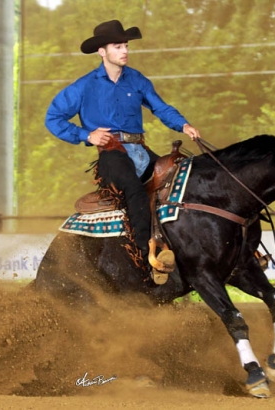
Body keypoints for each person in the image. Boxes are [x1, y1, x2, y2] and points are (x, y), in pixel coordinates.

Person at [45, 19, 200, 284]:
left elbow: (160, 108)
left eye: (126, 45)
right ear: (102, 52)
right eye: (118, 46)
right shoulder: (84, 86)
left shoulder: (136, 79)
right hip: (111, 155)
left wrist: (182, 124)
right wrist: (87, 135)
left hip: (140, 150)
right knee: (134, 190)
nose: (125, 51)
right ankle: (145, 259)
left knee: (182, 176)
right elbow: (53, 117)